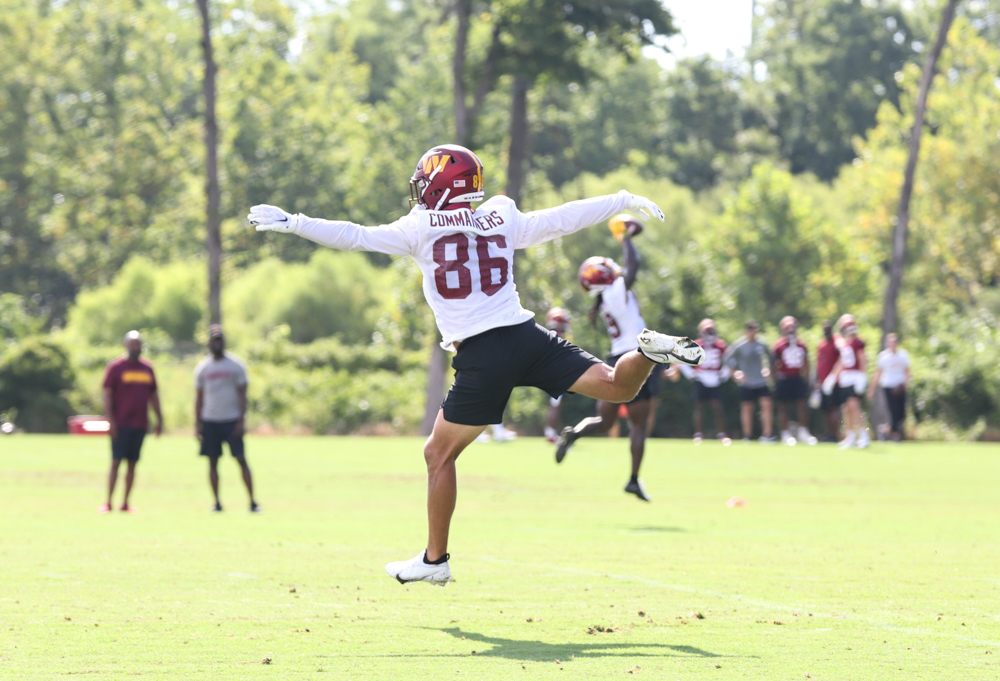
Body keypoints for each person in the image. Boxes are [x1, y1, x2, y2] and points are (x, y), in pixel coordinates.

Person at [249, 144, 705, 585]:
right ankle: (649, 352)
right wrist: (620, 200)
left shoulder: (420, 226)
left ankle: (435, 560)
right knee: (618, 387)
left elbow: (355, 236)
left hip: (483, 353)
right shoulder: (501, 214)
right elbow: (562, 218)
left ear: (441, 185)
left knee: (438, 454)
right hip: (526, 336)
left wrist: (295, 223)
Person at [554, 215, 658, 502]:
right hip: (635, 356)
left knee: (605, 422)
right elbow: (633, 266)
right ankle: (633, 480)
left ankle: (574, 433)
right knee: (638, 425)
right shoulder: (613, 293)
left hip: (615, 359)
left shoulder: (605, 300)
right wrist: (626, 237)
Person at [194, 325, 260, 513]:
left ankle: (252, 502)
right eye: (214, 340)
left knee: (241, 459)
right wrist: (197, 425)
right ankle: (216, 503)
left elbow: (243, 395)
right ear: (209, 342)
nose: (217, 343)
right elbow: (198, 398)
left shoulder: (235, 365)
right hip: (210, 420)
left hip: (231, 420)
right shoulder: (203, 368)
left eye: (220, 340)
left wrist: (241, 421)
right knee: (213, 462)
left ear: (224, 342)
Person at [100, 330, 162, 514]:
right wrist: (110, 420)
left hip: (140, 424)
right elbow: (107, 394)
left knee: (132, 463)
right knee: (116, 462)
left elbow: (153, 396)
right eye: (132, 344)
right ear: (125, 345)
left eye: (138, 344)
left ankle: (125, 503)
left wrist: (159, 419)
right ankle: (108, 503)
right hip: (120, 423)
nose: (136, 348)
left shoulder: (147, 368)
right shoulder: (116, 367)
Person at [667, 318, 729, 443]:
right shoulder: (696, 345)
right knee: (699, 406)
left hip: (715, 378)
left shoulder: (721, 345)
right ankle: (698, 434)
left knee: (718, 407)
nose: (710, 334)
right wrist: (691, 374)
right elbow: (681, 359)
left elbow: (729, 361)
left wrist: (724, 374)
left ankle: (722, 434)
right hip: (701, 377)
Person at [823, 314, 870, 449]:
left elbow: (862, 359)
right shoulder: (845, 343)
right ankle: (850, 436)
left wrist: (862, 376)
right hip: (846, 378)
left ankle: (864, 435)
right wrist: (832, 378)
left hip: (855, 377)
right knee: (846, 408)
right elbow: (841, 362)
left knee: (854, 405)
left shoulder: (857, 342)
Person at [724, 320, 775, 443]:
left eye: (755, 329)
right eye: (750, 329)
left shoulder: (761, 344)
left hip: (761, 381)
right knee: (747, 407)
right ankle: (747, 435)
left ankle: (767, 435)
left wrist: (769, 370)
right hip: (747, 382)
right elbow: (727, 359)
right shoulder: (739, 345)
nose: (753, 332)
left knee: (766, 404)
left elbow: (771, 358)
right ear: (746, 331)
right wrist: (735, 373)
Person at [772, 316, 817, 445]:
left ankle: (804, 432)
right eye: (787, 327)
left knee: (802, 405)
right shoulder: (779, 345)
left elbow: (806, 364)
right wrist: (775, 379)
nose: (790, 330)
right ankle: (785, 433)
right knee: (783, 406)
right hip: (784, 378)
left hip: (797, 377)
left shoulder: (802, 345)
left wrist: (808, 379)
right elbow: (773, 364)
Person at [868, 333, 910, 442]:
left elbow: (907, 371)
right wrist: (872, 389)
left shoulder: (903, 355)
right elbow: (878, 373)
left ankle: (885, 429)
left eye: (894, 342)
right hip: (888, 386)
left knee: (901, 413)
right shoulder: (883, 356)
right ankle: (896, 436)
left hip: (900, 386)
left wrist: (905, 384)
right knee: (893, 411)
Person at [543, 307, 573, 443]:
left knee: (556, 404)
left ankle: (552, 432)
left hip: (552, 373)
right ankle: (550, 432)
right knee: (555, 404)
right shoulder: (555, 337)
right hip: (555, 374)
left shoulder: (547, 335)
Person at [814, 320, 841, 442]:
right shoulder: (821, 345)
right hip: (823, 382)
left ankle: (835, 434)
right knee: (826, 409)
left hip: (834, 382)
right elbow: (818, 364)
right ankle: (830, 433)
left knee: (833, 408)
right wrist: (816, 380)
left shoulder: (837, 342)